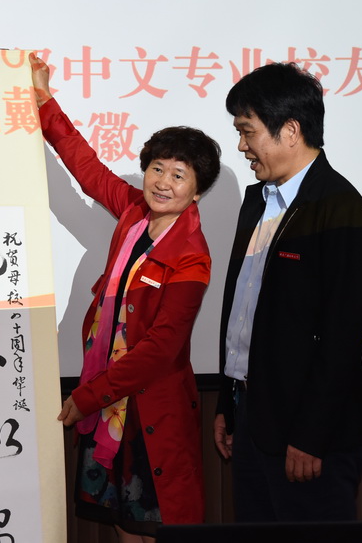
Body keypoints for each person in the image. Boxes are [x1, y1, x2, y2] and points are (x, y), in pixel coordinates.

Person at [31, 53, 221, 541]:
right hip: (109, 396)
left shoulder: (192, 257)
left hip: (149, 409)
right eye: (158, 169)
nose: (163, 182)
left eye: (179, 175)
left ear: (197, 191)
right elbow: (87, 169)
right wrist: (45, 101)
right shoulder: (135, 211)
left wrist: (88, 396)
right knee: (122, 523)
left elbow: (160, 349)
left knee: (153, 524)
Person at [212, 62, 362, 522]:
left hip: (306, 437)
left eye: (247, 132)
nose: (241, 146)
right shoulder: (258, 201)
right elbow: (244, 314)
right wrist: (228, 402)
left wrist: (310, 436)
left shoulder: (342, 210)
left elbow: (342, 337)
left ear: (290, 130)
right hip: (251, 417)